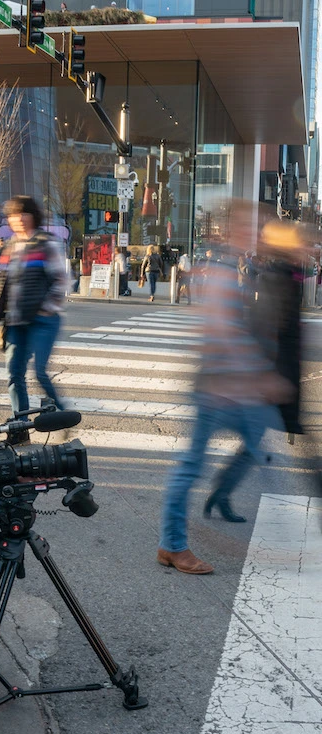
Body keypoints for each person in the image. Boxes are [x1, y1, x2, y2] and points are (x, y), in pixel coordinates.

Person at [158, 209, 294, 575]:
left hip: (235, 389)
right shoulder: (220, 271)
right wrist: (262, 374)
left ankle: (286, 540)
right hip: (216, 390)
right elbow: (223, 332)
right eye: (247, 226)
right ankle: (172, 546)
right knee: (191, 469)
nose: (253, 232)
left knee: (260, 453)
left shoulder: (234, 267)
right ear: (231, 229)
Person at [0, 196, 68, 428]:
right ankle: (20, 423)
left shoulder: (47, 243)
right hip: (15, 321)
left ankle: (64, 414)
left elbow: (62, 281)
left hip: (43, 320)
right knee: (14, 374)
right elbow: (2, 284)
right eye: (13, 215)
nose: (19, 219)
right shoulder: (10, 246)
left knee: (40, 372)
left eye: (23, 213)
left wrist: (45, 309)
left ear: (34, 216)